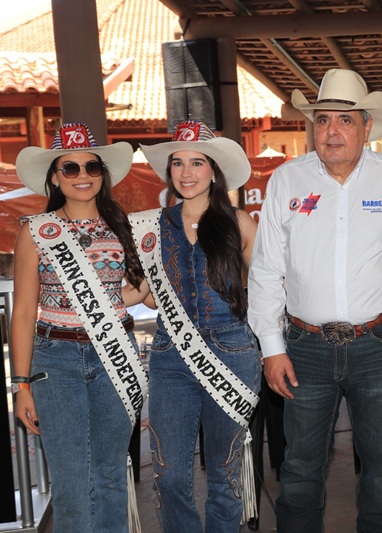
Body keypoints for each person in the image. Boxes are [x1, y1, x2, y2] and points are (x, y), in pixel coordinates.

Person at [248, 68, 382, 532]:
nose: (331, 131)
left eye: (345, 120)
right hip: (304, 348)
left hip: (381, 344)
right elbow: (266, 268)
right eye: (322, 120)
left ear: (366, 127)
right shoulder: (287, 180)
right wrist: (272, 348)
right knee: (299, 469)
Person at [126, 120, 261, 532]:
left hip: (232, 352)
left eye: (197, 163)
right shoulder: (150, 226)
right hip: (170, 357)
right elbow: (140, 291)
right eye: (178, 163)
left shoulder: (239, 222)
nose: (186, 173)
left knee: (225, 472)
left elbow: (269, 286)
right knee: (169, 475)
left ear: (214, 171)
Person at [11, 122, 147, 532]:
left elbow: (130, 293)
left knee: (110, 475)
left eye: (92, 166)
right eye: (70, 168)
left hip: (115, 355)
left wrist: (146, 284)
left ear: (102, 174)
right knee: (70, 483)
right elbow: (23, 312)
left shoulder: (125, 227)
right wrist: (21, 384)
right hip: (56, 361)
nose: (82, 175)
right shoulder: (36, 231)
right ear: (55, 177)